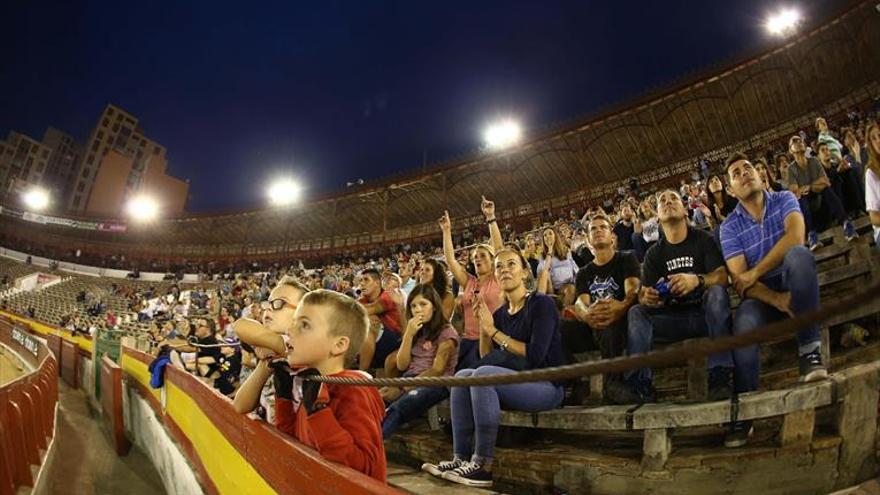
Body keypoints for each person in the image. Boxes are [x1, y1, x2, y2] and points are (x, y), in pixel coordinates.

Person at [421, 248, 564, 488]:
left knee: (482, 376)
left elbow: (537, 355)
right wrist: (484, 327)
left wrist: (495, 332)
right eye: (499, 266)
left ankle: (483, 465)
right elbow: (488, 357)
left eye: (511, 264)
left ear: (525, 272)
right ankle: (460, 458)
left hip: (546, 383)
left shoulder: (541, 304)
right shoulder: (500, 313)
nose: (504, 269)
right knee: (463, 376)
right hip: (514, 380)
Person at [720, 152, 828, 448]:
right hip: (762, 296)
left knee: (800, 256)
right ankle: (745, 405)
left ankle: (809, 350)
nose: (744, 174)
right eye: (736, 173)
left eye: (748, 168)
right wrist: (777, 299)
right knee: (743, 320)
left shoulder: (783, 199)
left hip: (795, 281)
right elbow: (741, 283)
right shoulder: (728, 227)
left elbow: (796, 238)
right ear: (730, 189)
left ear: (758, 173)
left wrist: (757, 270)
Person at [622, 190, 735, 405]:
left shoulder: (703, 239)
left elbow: (722, 277)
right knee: (636, 312)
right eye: (662, 201)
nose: (667, 202)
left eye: (673, 198)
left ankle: (720, 374)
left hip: (705, 317)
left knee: (718, 294)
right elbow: (644, 295)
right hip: (671, 321)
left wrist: (697, 281)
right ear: (657, 215)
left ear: (685, 210)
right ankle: (639, 385)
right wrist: (648, 297)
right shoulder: (654, 253)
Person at [273, 290, 387, 481]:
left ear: (339, 345)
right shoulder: (315, 383)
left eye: (304, 325)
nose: (289, 331)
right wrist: (283, 397)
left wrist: (319, 412)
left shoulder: (354, 388)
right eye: (293, 323)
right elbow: (297, 441)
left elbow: (365, 468)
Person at [563, 213, 640, 404]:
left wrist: (619, 307)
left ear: (612, 236)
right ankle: (569, 383)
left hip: (621, 322)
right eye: (593, 229)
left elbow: (632, 291)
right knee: (557, 327)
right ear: (588, 240)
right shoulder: (584, 272)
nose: (598, 231)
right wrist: (587, 314)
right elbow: (581, 302)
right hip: (594, 324)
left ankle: (612, 383)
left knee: (610, 322)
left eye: (602, 227)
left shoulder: (626, 258)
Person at [381, 285, 459, 438]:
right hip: (410, 377)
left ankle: (368, 449)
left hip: (435, 383)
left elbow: (437, 370)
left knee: (397, 409)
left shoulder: (447, 332)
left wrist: (402, 388)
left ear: (434, 307)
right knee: (375, 400)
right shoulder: (418, 331)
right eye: (413, 306)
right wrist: (408, 335)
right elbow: (402, 365)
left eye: (423, 304)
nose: (417, 310)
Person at [439, 196, 504, 371]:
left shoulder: (497, 278)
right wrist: (446, 231)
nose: (477, 259)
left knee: (469, 376)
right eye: (475, 257)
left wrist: (490, 217)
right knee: (451, 377)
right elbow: (451, 261)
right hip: (467, 340)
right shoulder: (469, 281)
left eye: (483, 256)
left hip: (490, 339)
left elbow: (500, 251)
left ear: (493, 261)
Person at [232, 277, 309, 424]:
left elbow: (241, 326)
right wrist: (266, 357)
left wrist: (272, 344)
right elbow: (241, 405)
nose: (268, 308)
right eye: (268, 303)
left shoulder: (303, 346)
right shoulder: (274, 351)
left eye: (279, 303)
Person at [785, 134, 857, 247]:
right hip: (807, 211)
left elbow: (826, 182)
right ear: (790, 150)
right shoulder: (791, 169)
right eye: (795, 141)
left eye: (800, 140)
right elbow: (796, 193)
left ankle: (846, 223)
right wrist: (814, 186)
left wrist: (808, 187)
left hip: (822, 204)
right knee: (802, 199)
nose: (799, 142)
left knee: (826, 189)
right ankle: (811, 235)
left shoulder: (813, 161)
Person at [356, 268, 403, 371]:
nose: (362, 284)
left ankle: (361, 375)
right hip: (378, 344)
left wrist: (364, 316)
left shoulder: (388, 295)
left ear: (377, 283)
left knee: (368, 327)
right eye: (360, 281)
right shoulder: (362, 300)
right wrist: (365, 316)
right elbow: (351, 313)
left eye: (366, 280)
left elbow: (372, 309)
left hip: (396, 341)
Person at [816, 141, 865, 217]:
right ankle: (843, 214)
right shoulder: (819, 170)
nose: (826, 152)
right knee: (837, 179)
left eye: (827, 149)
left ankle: (859, 208)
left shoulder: (834, 165)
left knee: (850, 172)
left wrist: (844, 166)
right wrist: (837, 171)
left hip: (844, 193)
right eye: (823, 150)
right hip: (831, 198)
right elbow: (827, 182)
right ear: (818, 156)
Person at [536, 226, 579, 305]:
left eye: (550, 234)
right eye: (545, 235)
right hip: (552, 287)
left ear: (555, 236)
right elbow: (544, 271)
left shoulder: (566, 251)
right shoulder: (542, 256)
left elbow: (574, 267)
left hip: (567, 284)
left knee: (570, 289)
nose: (548, 237)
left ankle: (563, 313)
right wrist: (550, 250)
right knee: (545, 273)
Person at [863, 123, 880, 245]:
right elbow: (874, 217)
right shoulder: (871, 173)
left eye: (879, 135)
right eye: (873, 138)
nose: (878, 140)